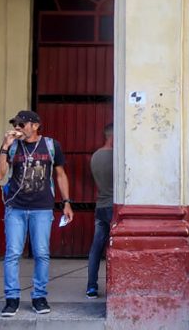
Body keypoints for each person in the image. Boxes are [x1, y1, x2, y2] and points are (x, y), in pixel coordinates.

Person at [0, 110, 72, 317]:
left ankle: (39, 297)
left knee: (42, 253)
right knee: (12, 253)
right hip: (15, 208)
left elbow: (61, 175)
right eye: (15, 124)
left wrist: (67, 202)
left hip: (42, 208)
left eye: (22, 124)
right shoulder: (12, 147)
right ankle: (12, 299)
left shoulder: (51, 145)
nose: (17, 128)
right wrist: (4, 147)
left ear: (35, 126)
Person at [86, 123, 113, 298]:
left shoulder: (95, 156)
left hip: (100, 206)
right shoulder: (117, 157)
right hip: (114, 207)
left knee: (96, 248)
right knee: (116, 247)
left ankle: (91, 287)